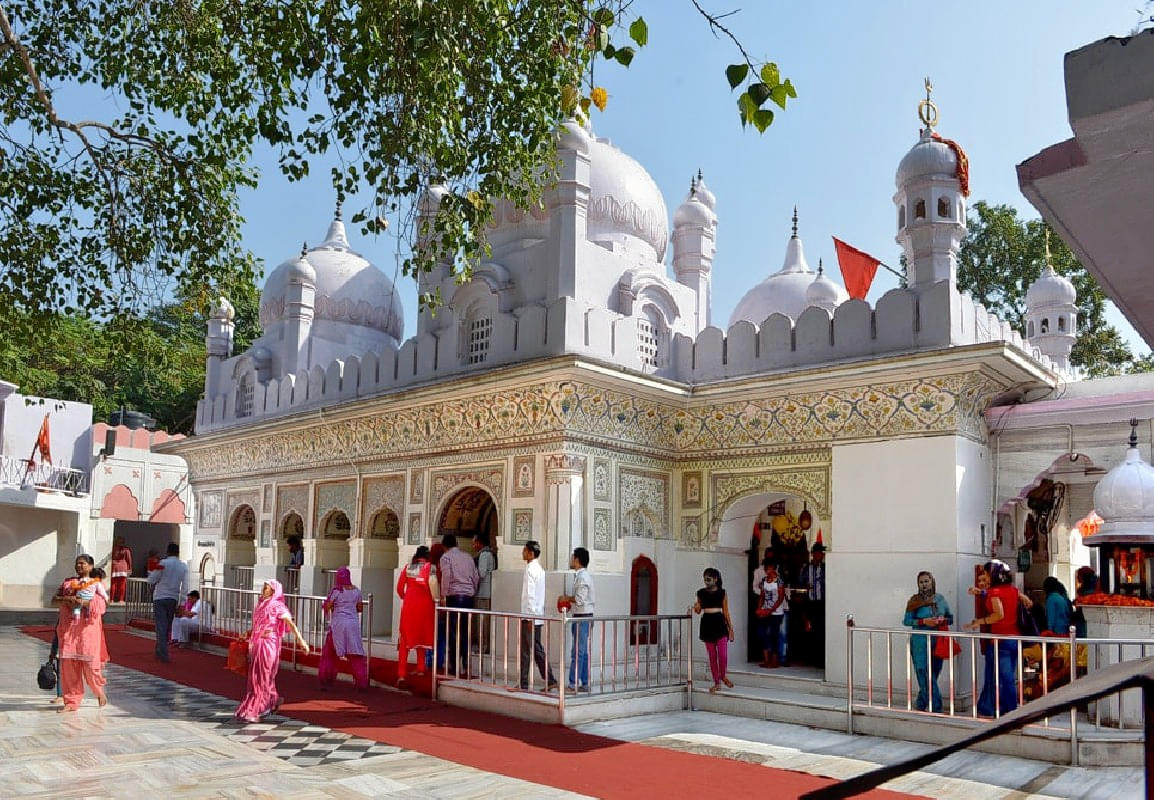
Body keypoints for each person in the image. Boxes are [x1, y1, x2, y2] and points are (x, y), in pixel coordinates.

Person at [235, 579, 309, 723]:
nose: (263, 590)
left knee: (263, 675)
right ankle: (270, 700)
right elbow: (259, 625)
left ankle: (260, 707)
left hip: (269, 644)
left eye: (266, 588)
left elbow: (291, 624)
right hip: (257, 643)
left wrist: (301, 640)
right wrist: (248, 633)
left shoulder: (278, 606)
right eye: (263, 587)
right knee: (256, 676)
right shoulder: (261, 605)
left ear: (273, 591)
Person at [52, 554, 108, 711]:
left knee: (90, 666)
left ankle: (99, 692)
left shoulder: (96, 584)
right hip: (69, 630)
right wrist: (67, 600)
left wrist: (83, 602)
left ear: (90, 566)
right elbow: (54, 599)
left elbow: (103, 605)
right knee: (69, 667)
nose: (79, 566)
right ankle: (71, 701)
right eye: (77, 563)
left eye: (82, 564)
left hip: (87, 631)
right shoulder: (68, 583)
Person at [973, 559, 1020, 715]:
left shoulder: (995, 592)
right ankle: (1007, 709)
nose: (985, 577)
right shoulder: (1013, 590)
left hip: (1000, 640)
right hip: (1014, 639)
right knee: (1008, 677)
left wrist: (980, 621)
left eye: (986, 574)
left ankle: (1012, 712)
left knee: (1005, 679)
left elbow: (998, 614)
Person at [902, 570, 953, 713]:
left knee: (934, 672)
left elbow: (950, 617)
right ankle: (936, 707)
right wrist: (924, 621)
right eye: (921, 582)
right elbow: (906, 621)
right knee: (923, 671)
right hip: (920, 641)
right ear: (918, 584)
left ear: (932, 582)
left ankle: (920, 703)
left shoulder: (940, 599)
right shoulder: (914, 601)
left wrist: (942, 620)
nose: (924, 584)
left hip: (938, 640)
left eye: (927, 581)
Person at [318, 566, 368, 690]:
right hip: (353, 624)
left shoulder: (337, 591)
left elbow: (327, 606)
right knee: (356, 653)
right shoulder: (357, 591)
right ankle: (361, 681)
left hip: (338, 625)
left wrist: (334, 607)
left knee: (330, 653)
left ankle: (327, 679)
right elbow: (360, 608)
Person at [396, 546, 439, 686]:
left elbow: (399, 588)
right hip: (426, 606)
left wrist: (406, 597)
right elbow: (433, 585)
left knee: (405, 639)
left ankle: (401, 674)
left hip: (409, 606)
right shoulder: (430, 567)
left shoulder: (408, 567)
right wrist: (437, 600)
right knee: (422, 636)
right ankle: (421, 668)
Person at [519, 540, 558, 690]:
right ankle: (547, 679)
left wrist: (530, 617)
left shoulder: (530, 569)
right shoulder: (540, 569)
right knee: (534, 649)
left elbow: (530, 595)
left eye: (524, 550)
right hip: (537, 615)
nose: (522, 553)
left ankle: (529, 682)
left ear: (531, 553)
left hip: (531, 616)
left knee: (529, 651)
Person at [439, 533, 480, 677]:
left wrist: (443, 596)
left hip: (454, 597)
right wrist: (472, 590)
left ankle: (454, 666)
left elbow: (447, 577)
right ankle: (467, 667)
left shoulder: (446, 557)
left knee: (453, 633)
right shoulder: (468, 557)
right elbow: (476, 576)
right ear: (457, 544)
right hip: (468, 598)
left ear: (444, 546)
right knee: (465, 633)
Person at [557, 546, 595, 692]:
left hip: (582, 618)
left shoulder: (583, 577)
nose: (571, 560)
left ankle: (573, 684)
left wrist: (566, 598)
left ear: (577, 560)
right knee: (583, 652)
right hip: (582, 617)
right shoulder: (581, 576)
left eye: (573, 557)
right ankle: (584, 682)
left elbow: (579, 600)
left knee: (578, 652)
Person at [693, 567, 735, 693]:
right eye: (705, 579)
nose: (706, 581)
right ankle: (716, 682)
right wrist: (696, 606)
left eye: (709, 579)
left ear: (716, 579)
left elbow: (726, 611)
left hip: (719, 622)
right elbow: (698, 611)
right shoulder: (700, 592)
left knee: (722, 654)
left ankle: (723, 675)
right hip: (707, 623)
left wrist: (731, 628)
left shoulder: (722, 592)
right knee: (712, 655)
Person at [148, 542, 188, 662]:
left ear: (168, 552)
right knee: (167, 626)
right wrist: (182, 603)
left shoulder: (163, 563)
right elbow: (185, 586)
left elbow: (152, 579)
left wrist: (150, 573)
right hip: (173, 598)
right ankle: (160, 650)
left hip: (160, 596)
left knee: (161, 625)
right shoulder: (183, 566)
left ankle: (163, 652)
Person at [798, 542, 826, 667]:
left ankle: (820, 659)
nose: (821, 555)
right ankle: (809, 658)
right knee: (808, 629)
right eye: (818, 553)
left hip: (822, 603)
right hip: (809, 603)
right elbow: (799, 583)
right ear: (813, 554)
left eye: (822, 553)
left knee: (821, 630)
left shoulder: (826, 568)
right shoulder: (805, 568)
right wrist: (805, 587)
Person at [758, 562, 788, 669]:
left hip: (776, 613)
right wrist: (760, 608)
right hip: (766, 611)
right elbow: (762, 596)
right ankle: (766, 660)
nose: (769, 571)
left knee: (774, 634)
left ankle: (775, 661)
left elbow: (780, 598)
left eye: (771, 569)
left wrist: (771, 610)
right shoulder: (763, 581)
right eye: (767, 569)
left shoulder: (779, 582)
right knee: (762, 633)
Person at [473, 532, 497, 653]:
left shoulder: (483, 555)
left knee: (482, 622)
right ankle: (484, 645)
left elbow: (481, 573)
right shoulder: (489, 554)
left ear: (480, 543)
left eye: (475, 542)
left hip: (483, 592)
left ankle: (483, 646)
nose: (473, 545)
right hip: (487, 592)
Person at [109, 537, 132, 603]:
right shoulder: (126, 550)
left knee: (113, 584)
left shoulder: (113, 549)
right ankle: (121, 599)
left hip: (114, 567)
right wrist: (130, 569)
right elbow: (129, 560)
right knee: (122, 584)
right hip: (123, 567)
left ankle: (112, 599)